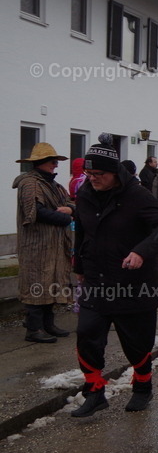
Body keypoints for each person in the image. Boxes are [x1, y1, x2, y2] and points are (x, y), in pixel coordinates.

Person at [70, 133, 158, 416]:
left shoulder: (137, 196)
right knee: (87, 335)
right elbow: (81, 231)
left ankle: (142, 386)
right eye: (89, 173)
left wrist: (142, 251)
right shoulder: (85, 195)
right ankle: (94, 392)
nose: (93, 178)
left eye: (99, 174)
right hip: (96, 279)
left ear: (115, 172)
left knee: (137, 343)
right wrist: (79, 267)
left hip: (133, 284)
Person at [14, 142, 74, 343]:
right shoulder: (29, 183)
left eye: (56, 161)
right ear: (41, 162)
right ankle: (33, 328)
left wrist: (70, 210)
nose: (56, 165)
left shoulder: (55, 186)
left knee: (52, 283)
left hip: (54, 246)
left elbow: (70, 203)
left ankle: (48, 324)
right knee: (36, 284)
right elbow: (35, 212)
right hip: (36, 246)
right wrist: (66, 217)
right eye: (53, 161)